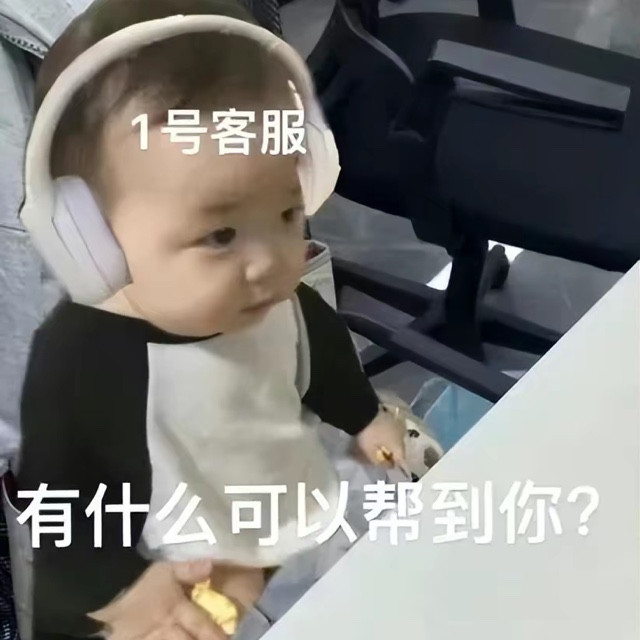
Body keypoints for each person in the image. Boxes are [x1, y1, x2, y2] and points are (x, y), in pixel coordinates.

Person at [16, 1, 407, 639]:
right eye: (221, 234)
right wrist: (117, 594)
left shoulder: (272, 299)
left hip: (293, 518)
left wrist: (363, 416)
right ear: (90, 240)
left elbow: (321, 352)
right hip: (183, 581)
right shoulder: (80, 361)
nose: (270, 263)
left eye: (286, 213)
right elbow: (59, 503)